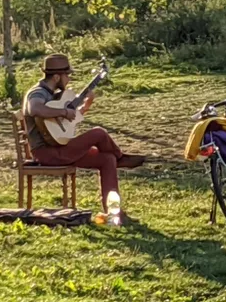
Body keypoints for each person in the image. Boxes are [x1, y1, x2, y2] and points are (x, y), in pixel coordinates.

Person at [22, 54, 145, 213]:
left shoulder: (53, 94)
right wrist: (64, 112)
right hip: (47, 153)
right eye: (67, 75)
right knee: (98, 133)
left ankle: (113, 211)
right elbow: (35, 109)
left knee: (107, 159)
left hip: (59, 147)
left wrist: (85, 106)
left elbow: (60, 125)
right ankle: (120, 158)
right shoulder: (37, 93)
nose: (69, 79)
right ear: (57, 77)